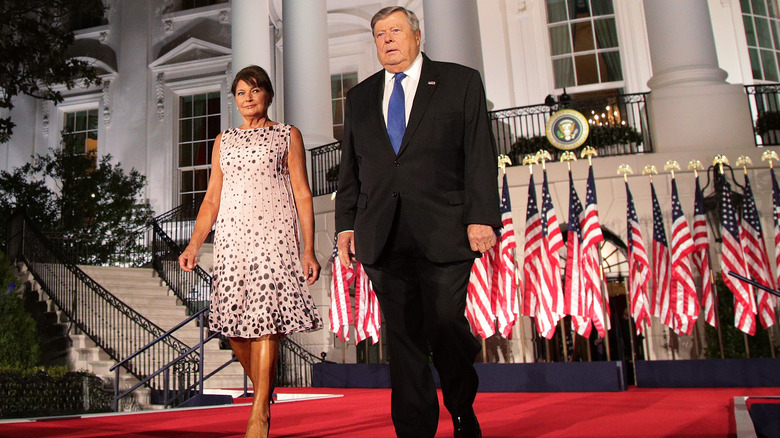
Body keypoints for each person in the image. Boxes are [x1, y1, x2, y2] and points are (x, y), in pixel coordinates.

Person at [335, 6, 500, 438]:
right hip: (382, 233)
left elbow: (480, 153)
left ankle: (462, 406)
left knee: (445, 322)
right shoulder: (359, 97)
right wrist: (346, 225)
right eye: (379, 34)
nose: (387, 39)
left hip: (444, 228)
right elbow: (351, 167)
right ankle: (413, 428)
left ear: (417, 35)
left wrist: (481, 217)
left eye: (396, 30)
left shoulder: (459, 81)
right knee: (404, 339)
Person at [179, 65, 322, 438]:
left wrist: (309, 248)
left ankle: (259, 412)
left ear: (268, 95)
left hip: (274, 235)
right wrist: (195, 243)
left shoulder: (286, 135)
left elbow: (303, 193)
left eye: (254, 91)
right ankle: (264, 387)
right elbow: (211, 198)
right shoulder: (223, 140)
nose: (247, 99)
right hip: (231, 239)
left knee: (265, 320)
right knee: (235, 327)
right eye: (240, 93)